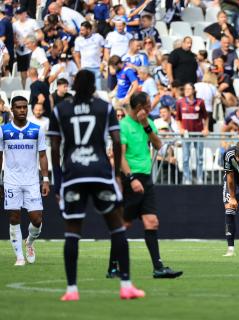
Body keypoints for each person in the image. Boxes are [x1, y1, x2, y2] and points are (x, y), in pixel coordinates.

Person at [49, 70, 144, 301]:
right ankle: (126, 285)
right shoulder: (105, 107)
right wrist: (117, 177)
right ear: (93, 87)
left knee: (72, 232)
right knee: (117, 226)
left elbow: (54, 147)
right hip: (100, 172)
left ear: (73, 85)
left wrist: (58, 182)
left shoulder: (60, 110)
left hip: (73, 174)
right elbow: (117, 140)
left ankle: (71, 290)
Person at [106, 91, 183, 279]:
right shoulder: (123, 126)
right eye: (148, 106)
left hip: (146, 178)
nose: (151, 108)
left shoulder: (147, 123)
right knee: (124, 223)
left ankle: (158, 268)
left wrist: (146, 126)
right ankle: (113, 267)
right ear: (140, 107)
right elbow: (120, 156)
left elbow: (158, 146)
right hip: (130, 178)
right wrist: (131, 179)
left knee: (152, 222)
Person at [1, 96, 49, 266]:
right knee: (14, 217)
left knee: (37, 219)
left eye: (24, 107)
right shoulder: (3, 130)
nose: (22, 110)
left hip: (31, 180)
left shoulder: (37, 129)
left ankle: (29, 242)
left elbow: (42, 155)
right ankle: (19, 257)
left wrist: (45, 179)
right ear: (12, 109)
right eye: (18, 107)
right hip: (11, 180)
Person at [176, 83, 209, 184]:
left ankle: (199, 178)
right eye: (185, 89)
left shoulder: (200, 102)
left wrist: (206, 128)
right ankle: (187, 179)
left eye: (189, 89)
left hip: (198, 133)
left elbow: (206, 117)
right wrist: (180, 128)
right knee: (186, 158)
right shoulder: (180, 102)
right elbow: (178, 118)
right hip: (186, 134)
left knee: (199, 158)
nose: (187, 90)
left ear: (194, 90)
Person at [13, 7, 41, 87]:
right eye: (18, 14)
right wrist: (17, 42)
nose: (19, 15)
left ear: (25, 13)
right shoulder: (14, 25)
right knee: (23, 72)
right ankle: (24, 89)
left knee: (33, 70)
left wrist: (31, 41)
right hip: (20, 51)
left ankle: (35, 87)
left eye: (21, 13)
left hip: (31, 50)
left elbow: (40, 34)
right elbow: (14, 37)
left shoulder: (32, 22)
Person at [74, 21, 105, 90]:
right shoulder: (78, 40)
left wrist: (103, 62)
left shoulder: (98, 37)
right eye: (80, 30)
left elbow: (104, 49)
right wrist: (80, 68)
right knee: (85, 89)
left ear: (88, 30)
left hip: (97, 67)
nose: (81, 32)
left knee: (98, 89)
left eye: (83, 30)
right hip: (85, 68)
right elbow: (77, 55)